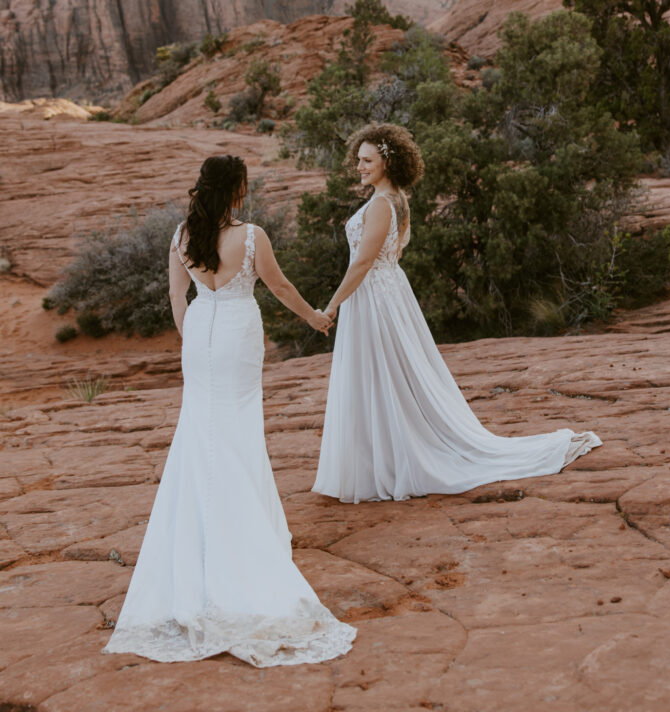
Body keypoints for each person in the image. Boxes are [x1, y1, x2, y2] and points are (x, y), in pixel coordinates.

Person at [104, 155, 355, 666]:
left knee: (200, 433)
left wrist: (193, 336)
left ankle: (197, 553)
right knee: (237, 434)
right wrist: (316, 319)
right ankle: (241, 544)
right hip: (239, 333)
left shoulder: (181, 235)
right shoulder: (253, 236)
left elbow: (177, 299)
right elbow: (280, 286)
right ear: (236, 189)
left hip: (200, 334)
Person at [313, 123, 602, 503]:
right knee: (389, 376)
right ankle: (383, 455)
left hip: (374, 298)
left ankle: (390, 458)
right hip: (385, 293)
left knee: (383, 374)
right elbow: (389, 257)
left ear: (388, 162)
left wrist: (331, 306)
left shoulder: (384, 203)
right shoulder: (396, 198)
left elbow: (364, 261)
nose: (359, 167)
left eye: (367, 161)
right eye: (359, 160)